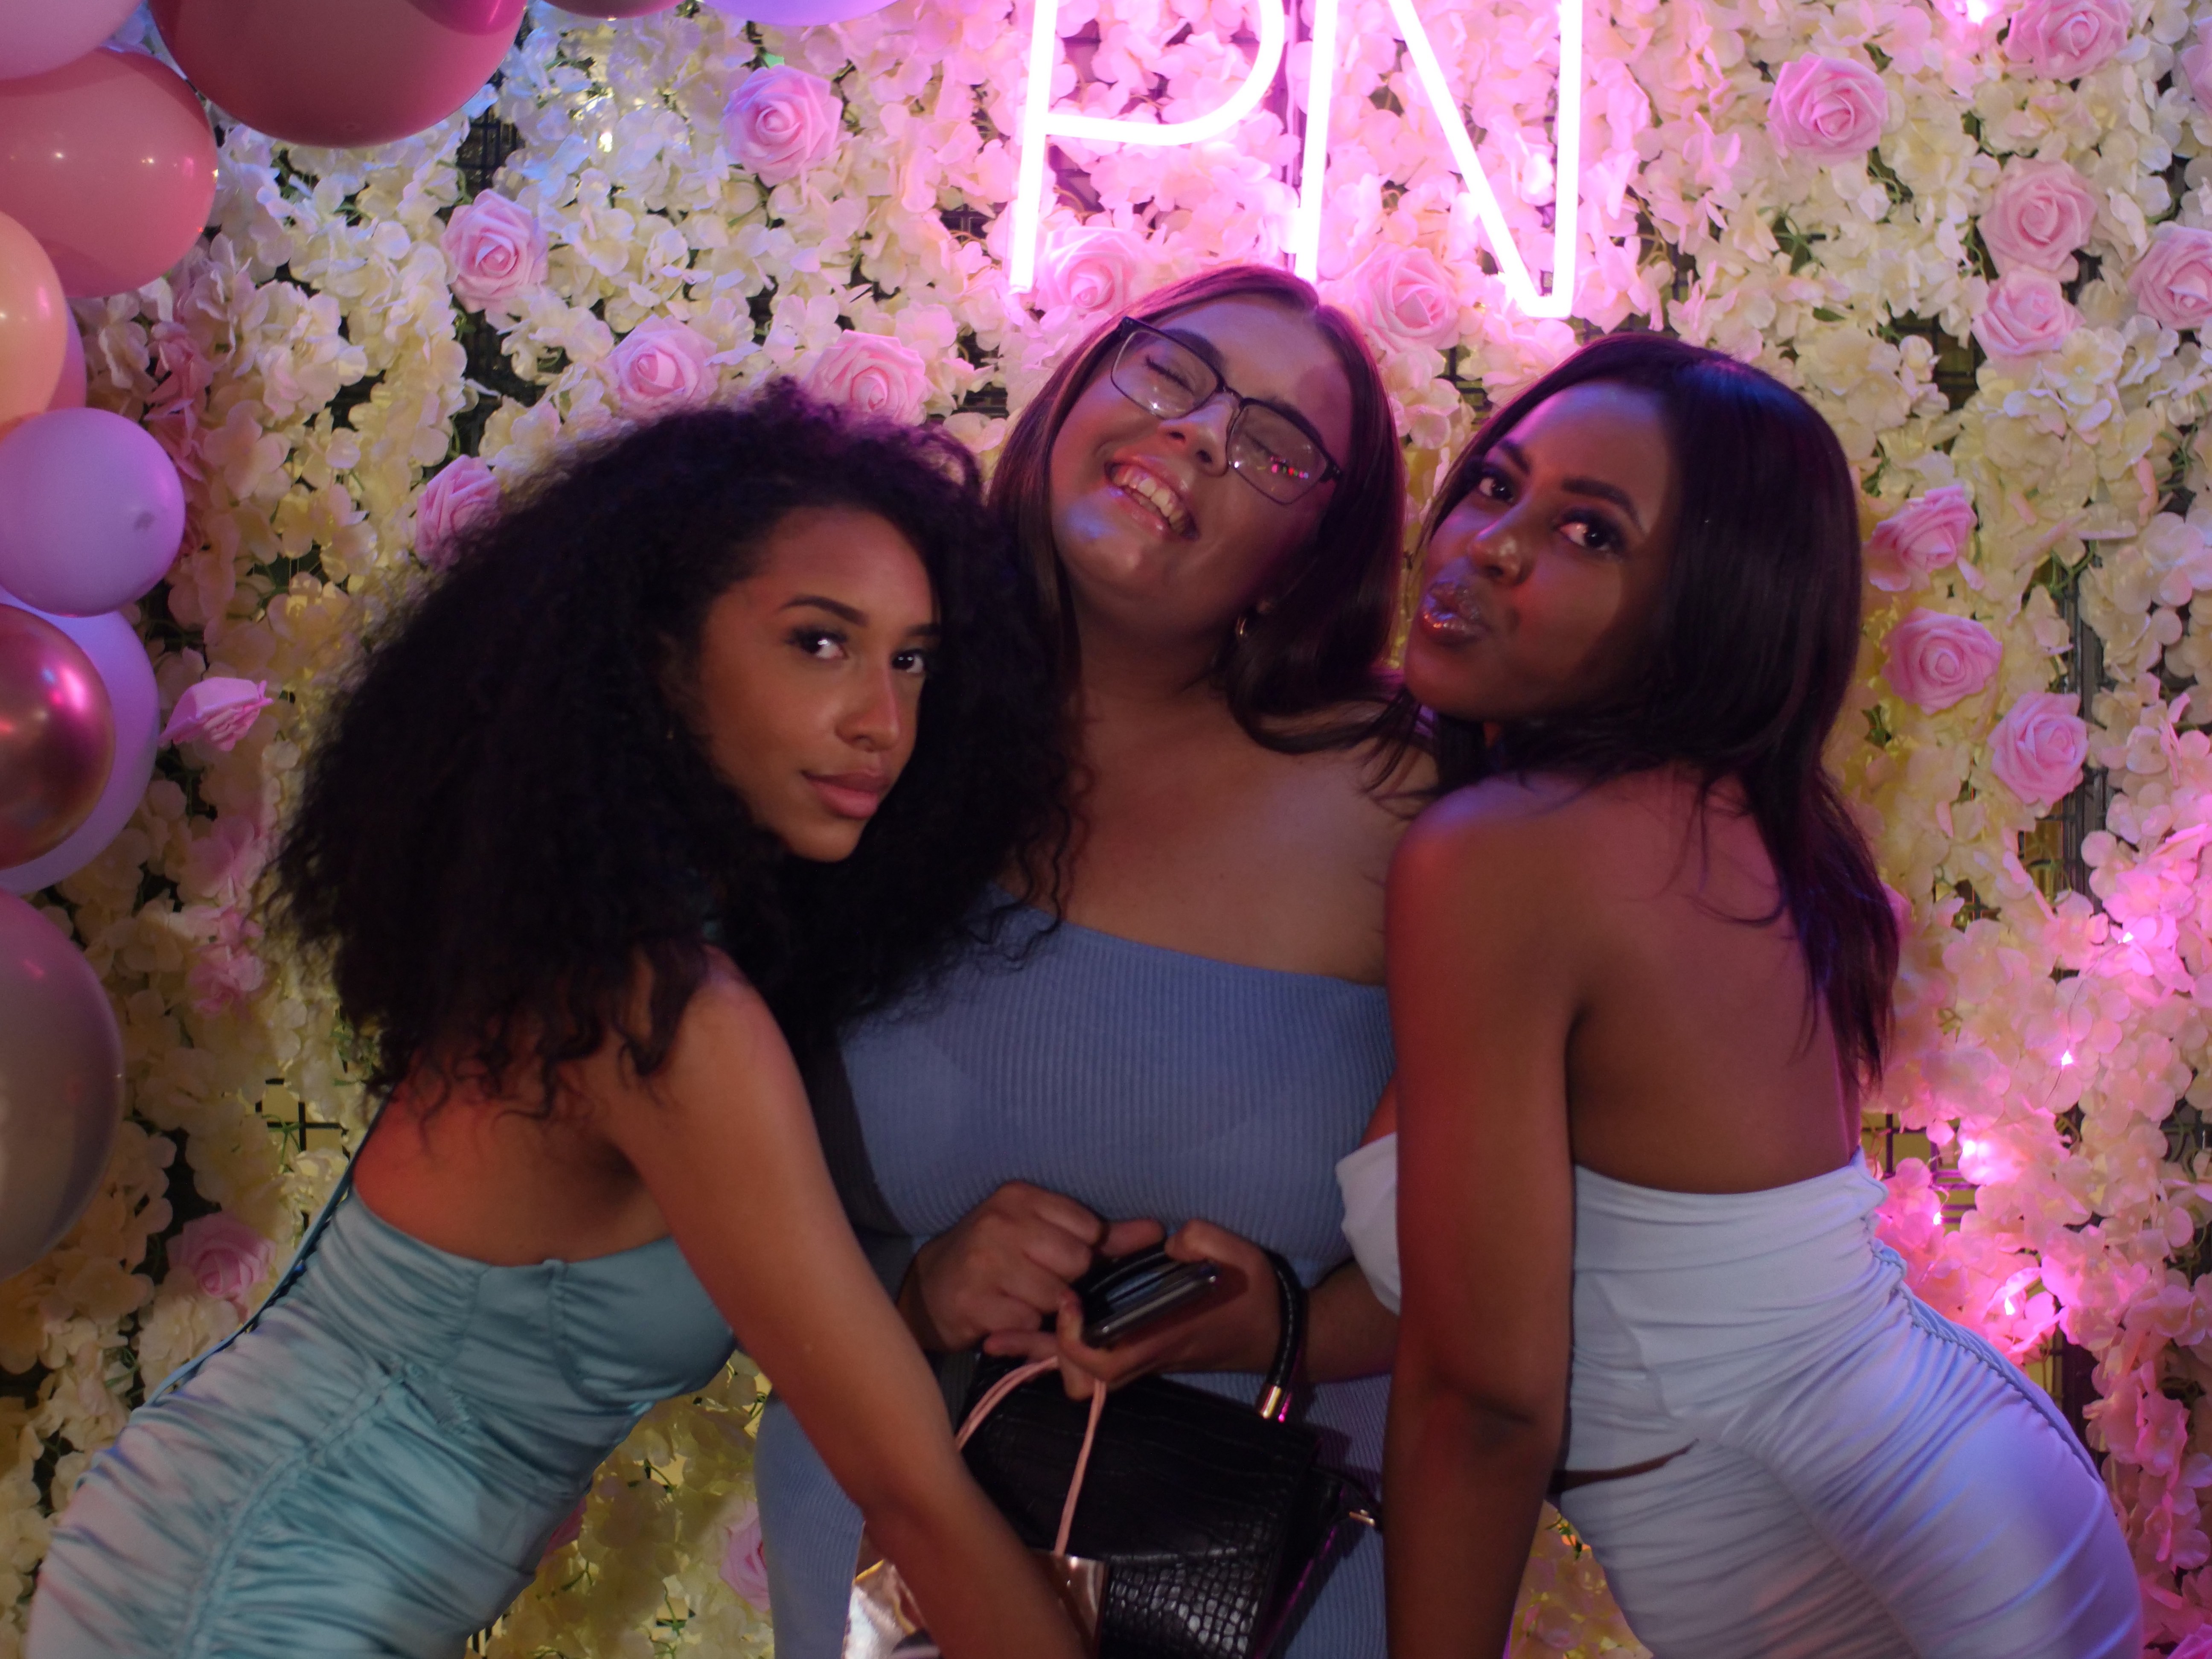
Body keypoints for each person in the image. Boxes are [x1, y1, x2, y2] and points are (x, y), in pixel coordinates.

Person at [28, 387, 1088, 1659]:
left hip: (230, 1551)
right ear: (660, 657)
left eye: (912, 660)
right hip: (241, 1594)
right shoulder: (659, 1009)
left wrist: (915, 1295)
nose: (884, 722)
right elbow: (912, 1495)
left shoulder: (618, 935)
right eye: (820, 642)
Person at [1347, 332, 2142, 1658]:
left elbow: (1484, 1406)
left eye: (1591, 533)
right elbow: (1573, 1265)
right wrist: (1271, 1324)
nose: (1491, 545)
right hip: (1953, 1517)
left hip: (1874, 1564)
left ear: (1708, 611)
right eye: (1496, 484)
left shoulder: (1507, 858)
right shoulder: (1703, 825)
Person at [753, 265, 1421, 1658]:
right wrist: (919, 1294)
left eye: (1277, 446)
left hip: (1264, 1598)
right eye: (1173, 371)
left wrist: (1285, 1327)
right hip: (887, 1566)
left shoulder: (1401, 804)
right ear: (1077, 384)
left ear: (1310, 558)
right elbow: (698, 1216)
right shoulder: (860, 736)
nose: (1200, 432)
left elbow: (1535, 1286)